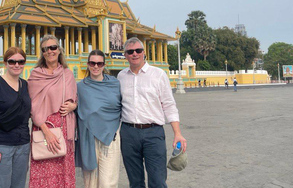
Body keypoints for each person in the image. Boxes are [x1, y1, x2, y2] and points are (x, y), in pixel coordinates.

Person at [118, 37, 187, 188]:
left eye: (138, 50)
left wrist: (177, 133)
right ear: (125, 55)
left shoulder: (158, 75)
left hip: (153, 133)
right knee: (135, 181)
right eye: (130, 51)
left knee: (157, 180)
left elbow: (169, 105)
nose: (134, 54)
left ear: (144, 53)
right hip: (128, 132)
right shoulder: (121, 77)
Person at [28, 34, 78, 188]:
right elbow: (32, 107)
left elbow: (74, 99)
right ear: (42, 53)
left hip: (63, 129)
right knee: (43, 173)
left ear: (59, 50)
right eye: (46, 49)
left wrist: (73, 106)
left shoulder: (67, 74)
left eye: (53, 47)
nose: (50, 51)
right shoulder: (36, 74)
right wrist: (46, 132)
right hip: (42, 129)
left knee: (63, 174)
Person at [0, 47, 31, 188]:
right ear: (5, 63)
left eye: (20, 62)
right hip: (1, 146)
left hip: (23, 145)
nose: (16, 65)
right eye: (12, 61)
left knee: (18, 185)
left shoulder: (26, 85)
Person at [75, 49, 122, 188]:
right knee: (91, 182)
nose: (96, 66)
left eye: (99, 64)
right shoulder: (80, 87)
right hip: (89, 137)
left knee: (108, 182)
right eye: (92, 63)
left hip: (110, 136)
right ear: (88, 64)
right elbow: (74, 105)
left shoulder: (115, 84)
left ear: (104, 65)